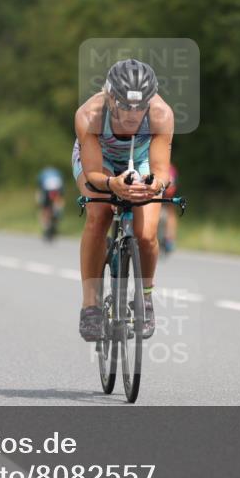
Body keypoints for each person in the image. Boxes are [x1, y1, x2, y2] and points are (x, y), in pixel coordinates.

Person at [72, 58, 174, 341]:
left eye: (140, 106)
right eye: (125, 106)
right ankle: (90, 306)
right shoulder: (89, 114)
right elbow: (92, 173)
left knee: (146, 233)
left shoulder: (161, 114)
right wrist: (112, 184)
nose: (133, 114)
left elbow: (161, 170)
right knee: (99, 214)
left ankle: (145, 299)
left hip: (139, 160)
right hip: (98, 161)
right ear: (109, 97)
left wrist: (154, 185)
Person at [36, 166, 64, 239]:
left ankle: (46, 226)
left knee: (45, 209)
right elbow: (62, 185)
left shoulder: (42, 173)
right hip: (58, 189)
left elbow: (40, 187)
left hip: (46, 190)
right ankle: (58, 213)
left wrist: (39, 200)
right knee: (58, 203)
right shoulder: (57, 172)